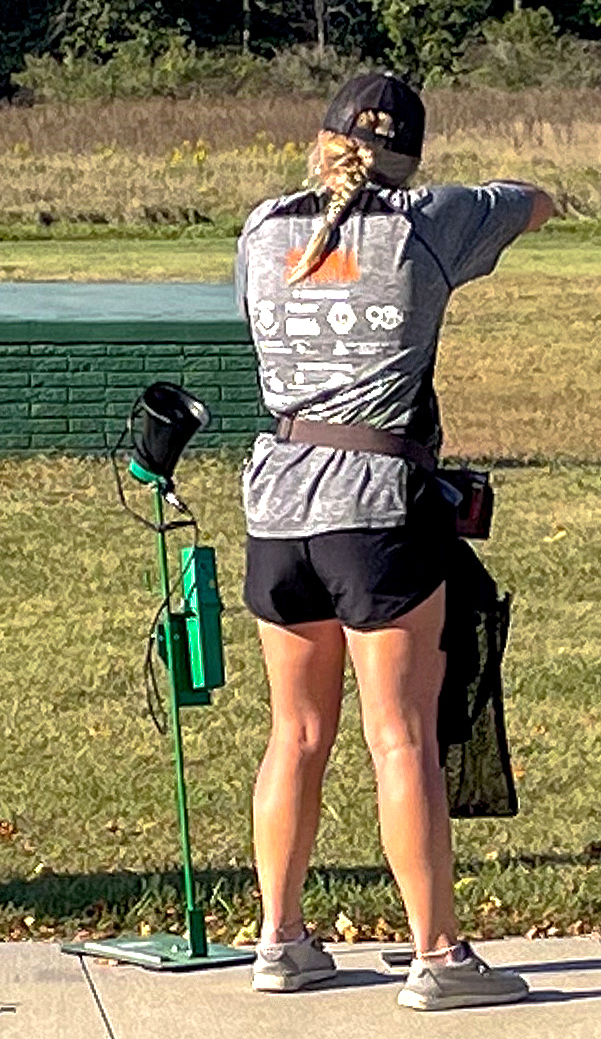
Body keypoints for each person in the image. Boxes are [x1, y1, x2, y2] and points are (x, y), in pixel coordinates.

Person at [234, 72, 554, 1011]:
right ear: (408, 158)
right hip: (377, 506)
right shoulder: (427, 221)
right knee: (400, 736)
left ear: (320, 140)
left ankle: (280, 939)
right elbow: (533, 202)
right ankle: (438, 956)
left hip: (278, 503)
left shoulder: (262, 229)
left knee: (292, 734)